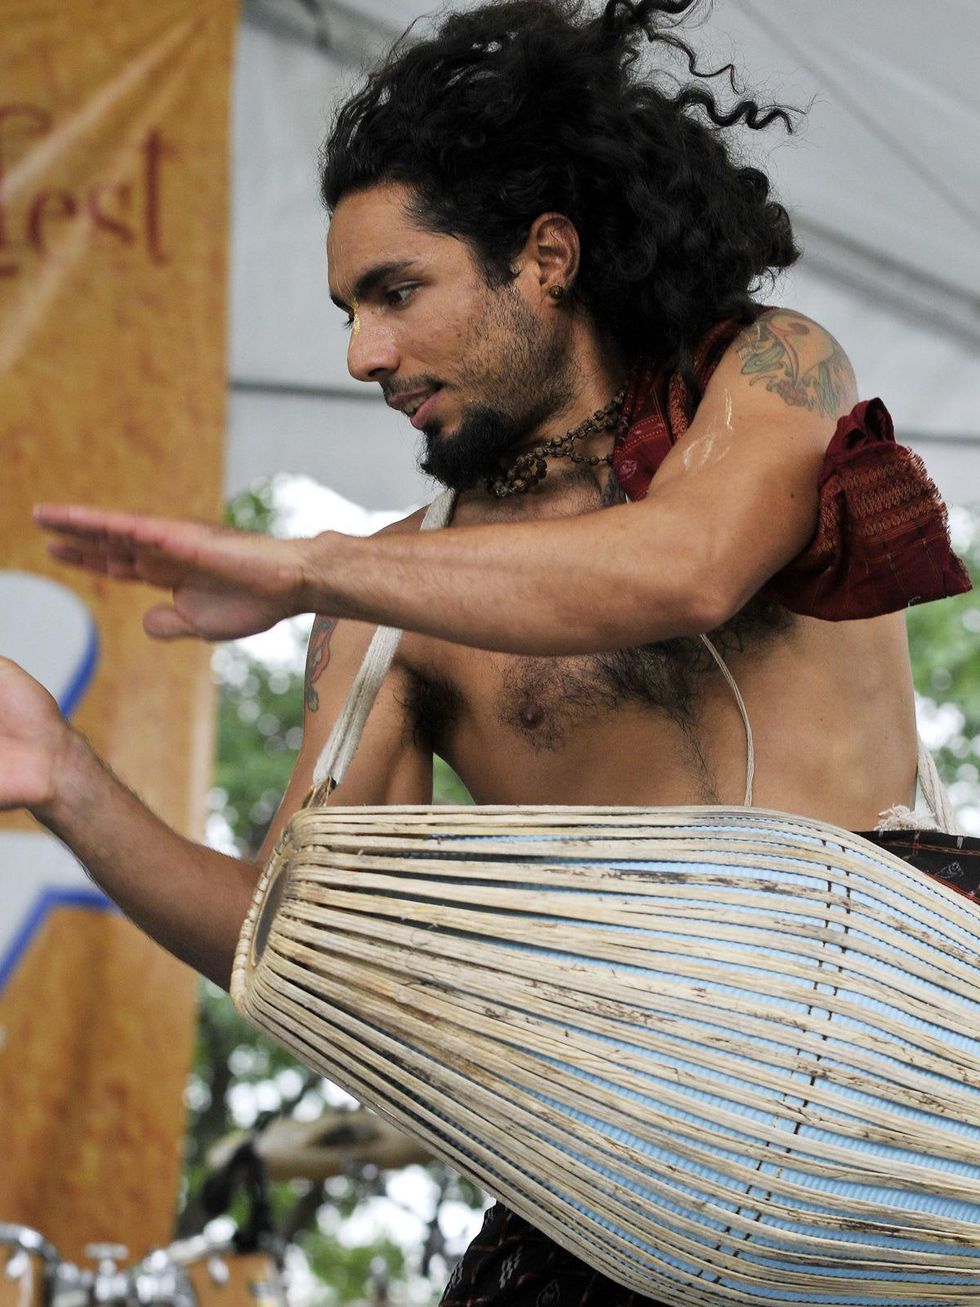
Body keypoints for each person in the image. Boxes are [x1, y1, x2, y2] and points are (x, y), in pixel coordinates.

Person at [4, 0, 972, 1301]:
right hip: (623, 1193)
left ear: (546, 258)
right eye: (348, 311)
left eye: (397, 292)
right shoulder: (384, 604)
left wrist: (307, 567)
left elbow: (688, 568)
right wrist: (66, 780)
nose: (366, 354)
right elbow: (290, 938)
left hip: (924, 1115)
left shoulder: (761, 371)